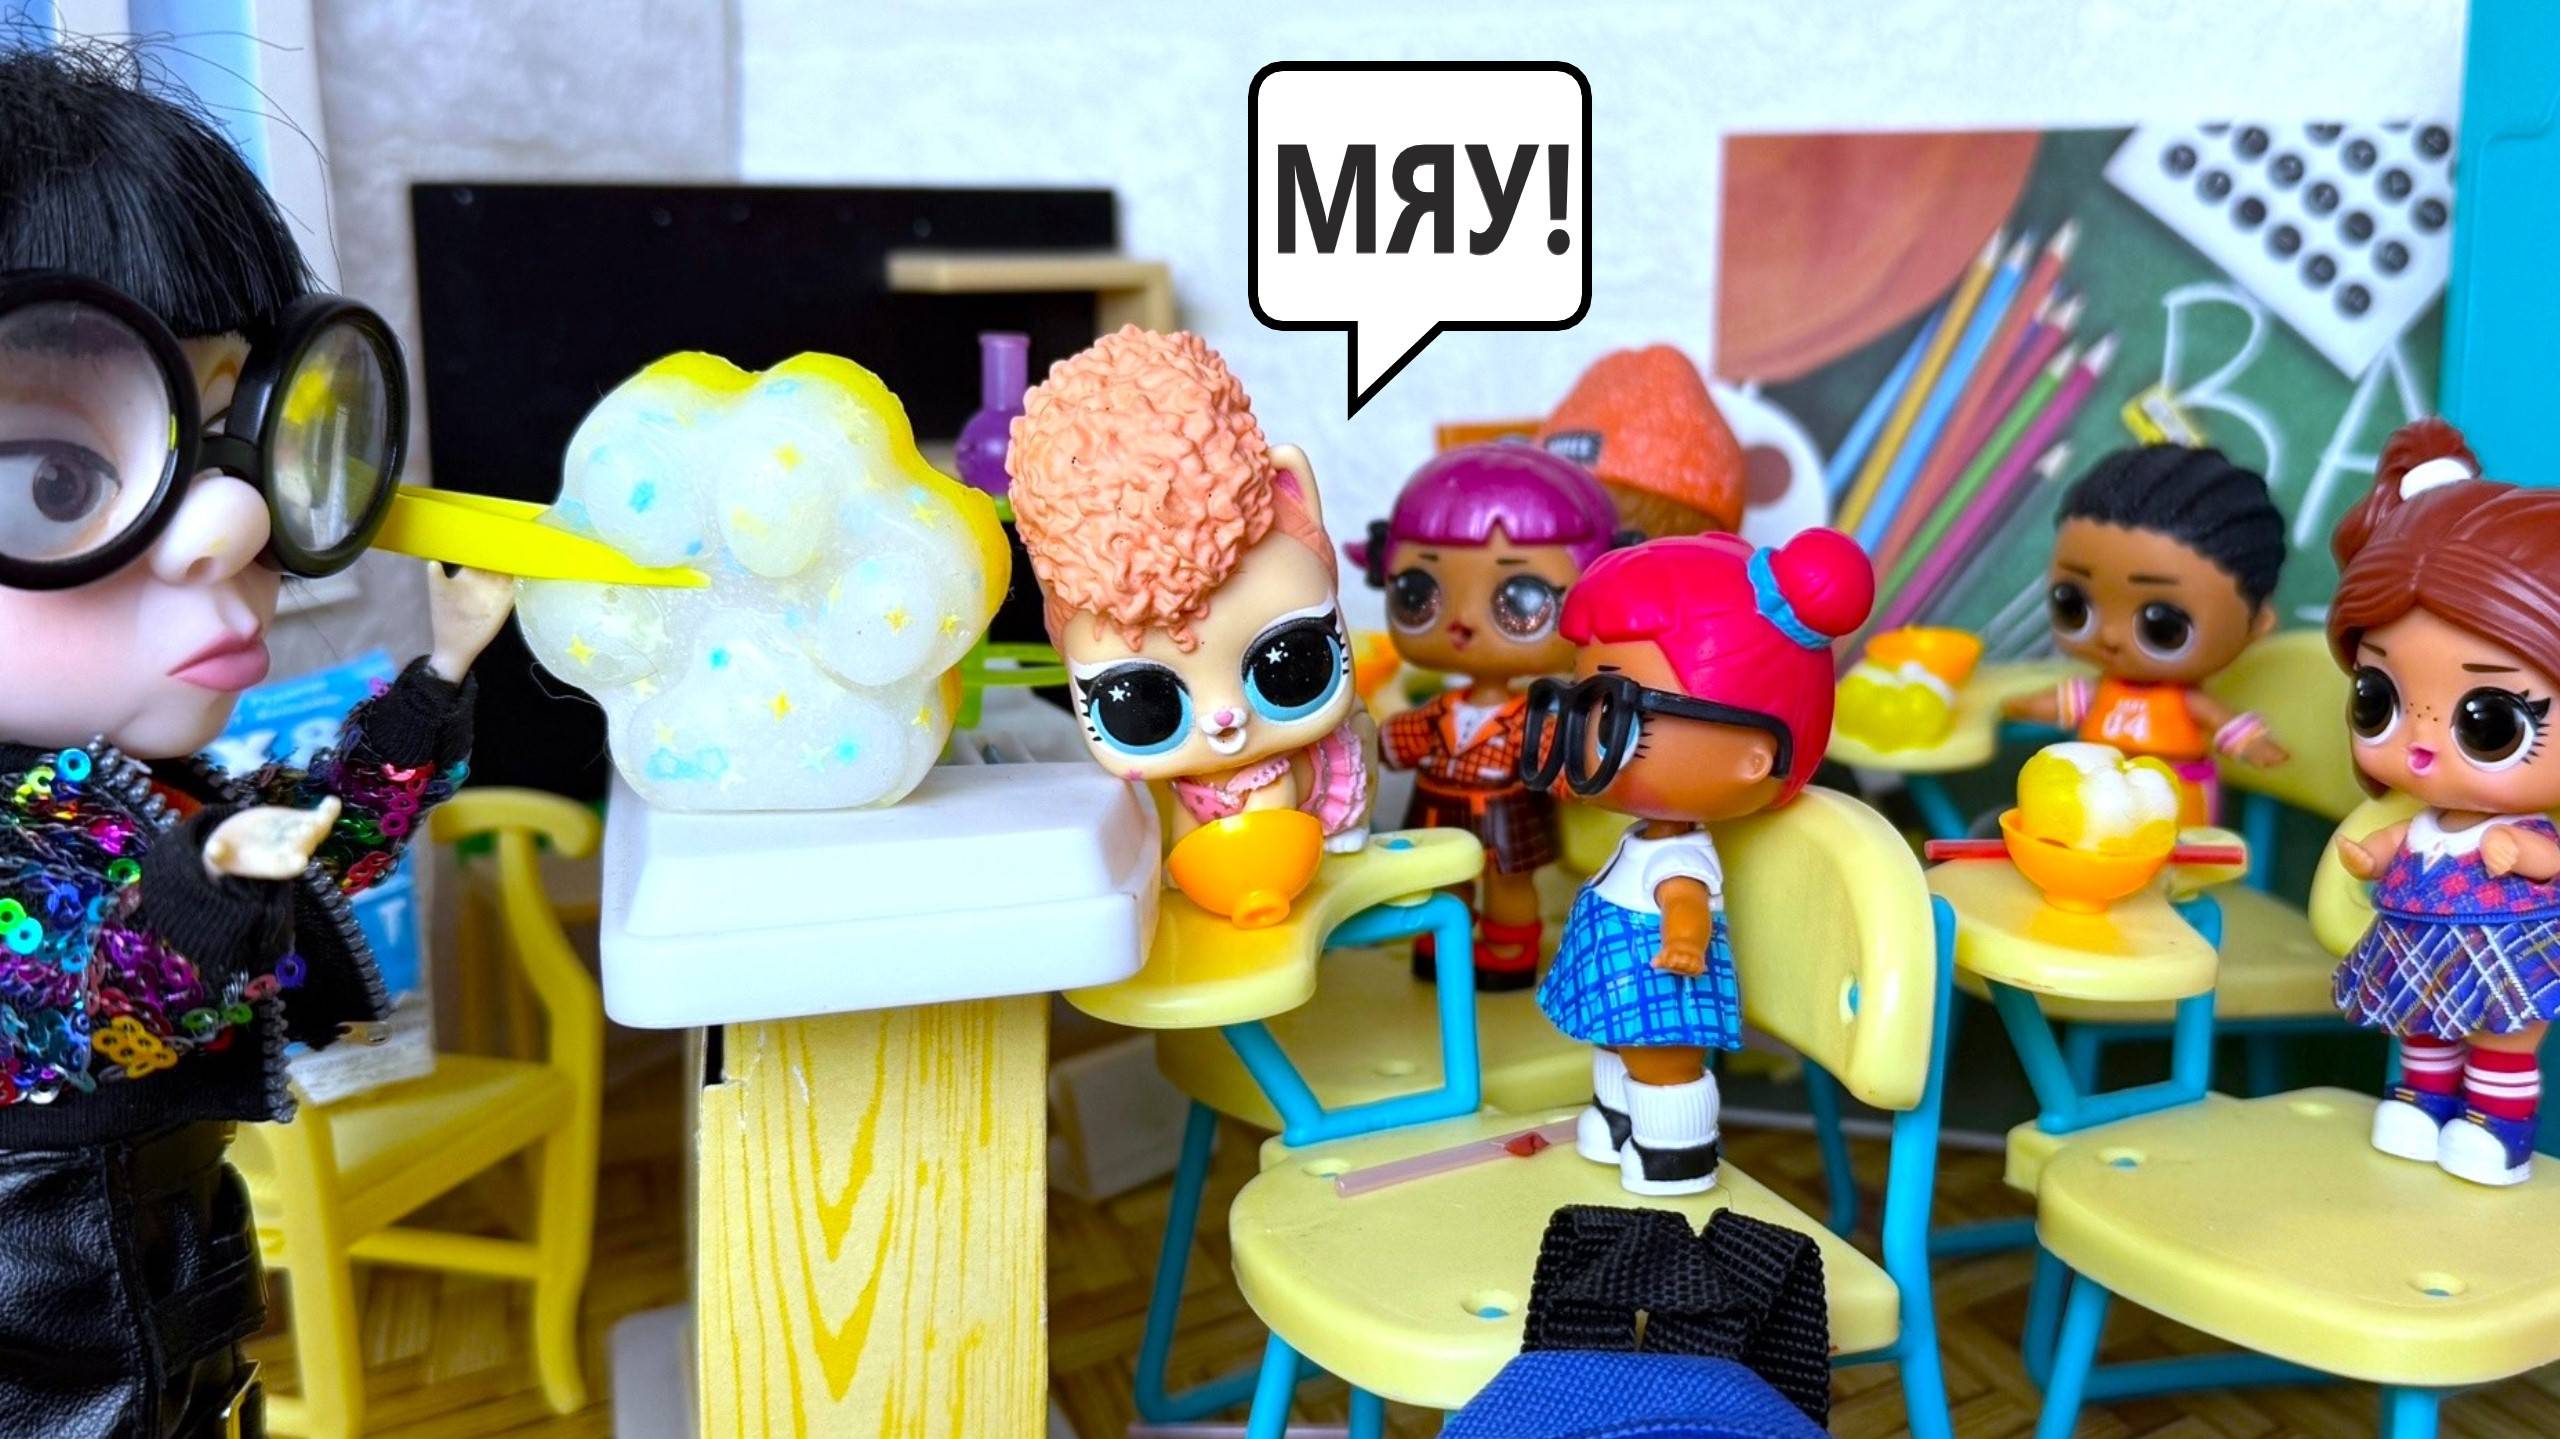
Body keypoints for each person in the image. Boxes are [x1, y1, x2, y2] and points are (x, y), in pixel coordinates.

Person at [0, 44, 515, 1434]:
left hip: (176, 1302)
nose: (232, 527)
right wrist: (210, 892)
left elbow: (315, 845)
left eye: (242, 440)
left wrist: (434, 685)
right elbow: (82, 996)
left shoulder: (117, 791)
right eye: (57, 477)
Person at [1524, 528, 1872, 1194]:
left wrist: (1685, 939)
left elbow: (1684, 898)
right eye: (1586, 699)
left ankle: (1675, 1147)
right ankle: (1617, 1119)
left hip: (1662, 982)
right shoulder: (1646, 835)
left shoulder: (1682, 852)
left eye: (1617, 714)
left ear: (1753, 758)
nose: (1586, 733)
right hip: (1625, 985)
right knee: (1618, 1050)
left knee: (1663, 1067)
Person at [1006, 326, 1370, 855]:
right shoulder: (1177, 781)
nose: (1224, 716)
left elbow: (1268, 839)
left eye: (1290, 664)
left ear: (1294, 494)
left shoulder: (1267, 778)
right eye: (1142, 703)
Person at [2328, 418, 2560, 1187]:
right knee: (2421, 1026)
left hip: (2506, 949)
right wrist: (2371, 854)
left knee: (2503, 1040)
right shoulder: (2424, 817)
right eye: (2379, 699)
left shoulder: (2520, 818)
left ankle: (2498, 1126)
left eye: (2489, 722)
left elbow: (2548, 860)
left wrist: (2524, 852)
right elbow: (2400, 841)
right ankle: (2421, 1102)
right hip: (2421, 944)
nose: (2421, 745)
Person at [1355, 443, 1621, 988]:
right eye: (1419, 593)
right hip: (1438, 810)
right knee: (1442, 880)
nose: (1463, 620)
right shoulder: (1442, 710)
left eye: (1519, 599)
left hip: (1505, 813)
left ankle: (1508, 950)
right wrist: (1360, 741)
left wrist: (1581, 769)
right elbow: (1395, 744)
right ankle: (1438, 945)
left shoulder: (1530, 719)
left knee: (1508, 883)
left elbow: (1566, 772)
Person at [2003, 445, 2289, 825]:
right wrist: (2018, 705)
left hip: (2174, 796)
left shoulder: (2188, 703)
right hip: (2092, 794)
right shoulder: (2101, 692)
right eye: (2074, 604)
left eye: (2163, 625)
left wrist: (2253, 744)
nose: (2110, 635)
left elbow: (2227, 726)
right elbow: (2063, 702)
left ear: (2257, 625)